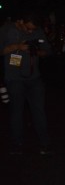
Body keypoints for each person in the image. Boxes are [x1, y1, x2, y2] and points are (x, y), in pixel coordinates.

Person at [1, 12, 53, 155]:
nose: (30, 31)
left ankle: (45, 144)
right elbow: (1, 50)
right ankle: (17, 144)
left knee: (39, 111)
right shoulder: (7, 29)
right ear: (21, 21)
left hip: (34, 78)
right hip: (14, 79)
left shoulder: (38, 30)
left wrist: (39, 52)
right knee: (17, 112)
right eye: (28, 28)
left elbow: (48, 51)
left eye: (33, 29)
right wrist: (17, 46)